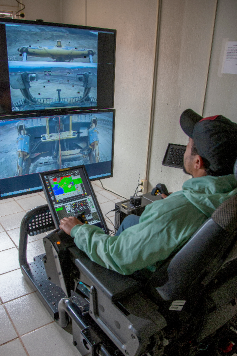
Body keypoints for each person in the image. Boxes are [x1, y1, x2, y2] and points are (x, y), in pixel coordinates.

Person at [59, 109, 237, 275]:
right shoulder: (230, 195)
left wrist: (78, 230)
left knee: (101, 246)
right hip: (195, 265)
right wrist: (172, 203)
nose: (185, 150)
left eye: (189, 145)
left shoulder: (173, 213)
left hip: (152, 278)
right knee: (129, 220)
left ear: (198, 162)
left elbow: (117, 254)